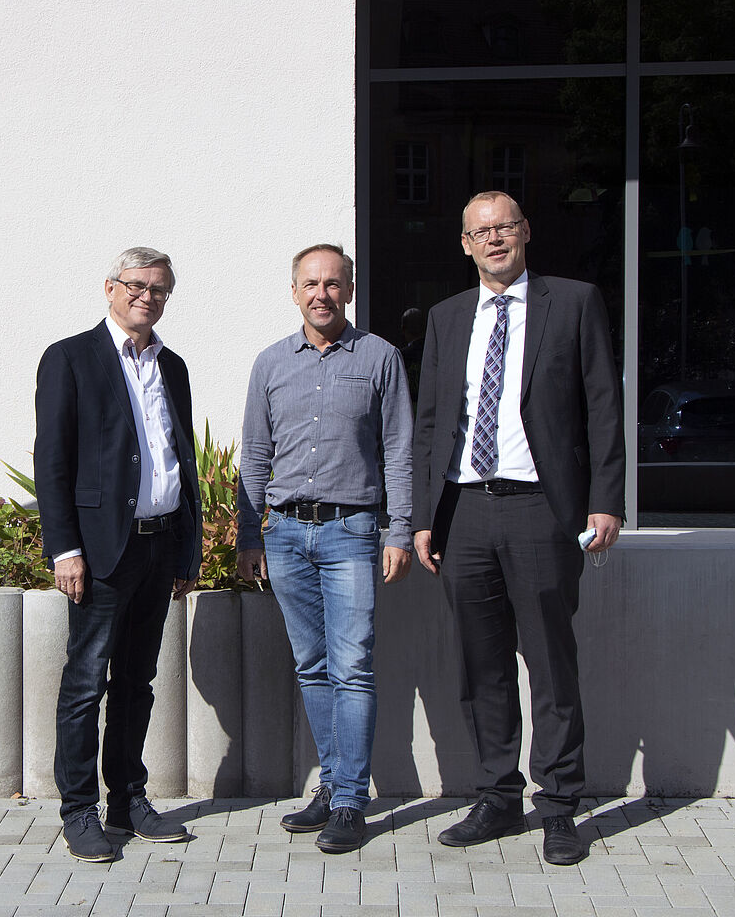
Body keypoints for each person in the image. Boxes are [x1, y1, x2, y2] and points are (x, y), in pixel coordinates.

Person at [412, 191, 624, 866]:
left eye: (505, 226)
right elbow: (429, 423)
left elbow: (603, 407)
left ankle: (559, 806)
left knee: (552, 666)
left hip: (543, 509)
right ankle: (498, 798)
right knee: (483, 668)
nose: (495, 238)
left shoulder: (575, 301)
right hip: (465, 510)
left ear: (526, 232)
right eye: (482, 231)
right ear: (465, 244)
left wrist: (606, 499)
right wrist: (423, 516)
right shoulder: (446, 318)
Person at [235, 243, 413, 854]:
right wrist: (247, 534)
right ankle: (335, 784)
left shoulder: (380, 358)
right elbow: (255, 455)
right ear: (293, 291)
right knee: (312, 667)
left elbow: (399, 450)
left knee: (353, 667)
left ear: (350, 290)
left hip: (351, 533)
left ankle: (349, 801)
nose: (322, 293)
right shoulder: (269, 364)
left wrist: (398, 530)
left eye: (334, 283)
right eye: (310, 283)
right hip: (283, 534)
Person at [34, 246, 203, 863]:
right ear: (109, 287)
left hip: (160, 547)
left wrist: (188, 545)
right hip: (103, 551)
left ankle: (127, 799)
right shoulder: (71, 358)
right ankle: (78, 810)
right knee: (86, 683)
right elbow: (51, 462)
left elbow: (178, 459)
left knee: (138, 681)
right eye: (136, 285)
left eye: (159, 289)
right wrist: (65, 549)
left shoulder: (173, 366)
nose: (147, 297)